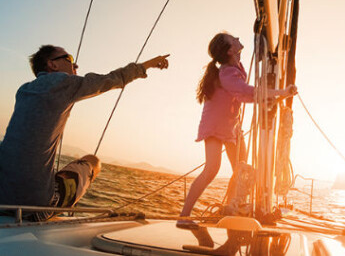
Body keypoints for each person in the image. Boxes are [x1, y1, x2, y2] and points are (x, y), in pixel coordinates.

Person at [0, 45, 170, 221]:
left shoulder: (23, 91)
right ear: (53, 65)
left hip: (2, 199)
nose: (76, 66)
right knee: (92, 162)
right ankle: (59, 208)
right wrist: (147, 65)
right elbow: (112, 78)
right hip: (35, 206)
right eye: (70, 59)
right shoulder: (64, 83)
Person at [177, 32, 296, 228]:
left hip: (232, 127)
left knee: (241, 168)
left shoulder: (235, 69)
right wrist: (280, 93)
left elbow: (243, 96)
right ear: (230, 50)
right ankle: (184, 216)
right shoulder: (226, 73)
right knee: (212, 168)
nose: (238, 39)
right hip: (215, 126)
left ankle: (231, 208)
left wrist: (272, 96)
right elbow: (246, 92)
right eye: (233, 39)